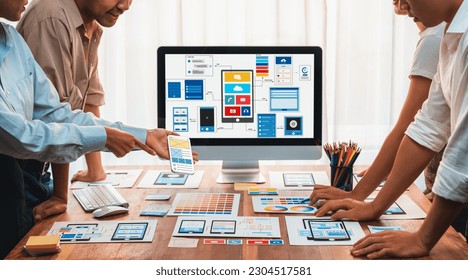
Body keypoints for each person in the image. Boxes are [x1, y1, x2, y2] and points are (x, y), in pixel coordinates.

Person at [0, 0, 193, 259]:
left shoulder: (12, 40)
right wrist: (104, 137)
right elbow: (22, 136)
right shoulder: (50, 18)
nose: (125, 5)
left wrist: (142, 135)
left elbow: (55, 113)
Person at [314, 0, 468, 258]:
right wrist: (375, 205)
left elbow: (463, 154)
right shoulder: (449, 36)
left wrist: (422, 239)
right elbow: (426, 127)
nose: (400, 4)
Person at [15, 0, 133, 223]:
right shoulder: (52, 18)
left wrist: (95, 170)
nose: (125, 5)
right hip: (21, 170)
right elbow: (56, 115)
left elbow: (89, 100)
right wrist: (60, 194)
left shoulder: (91, 25)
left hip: (41, 165)